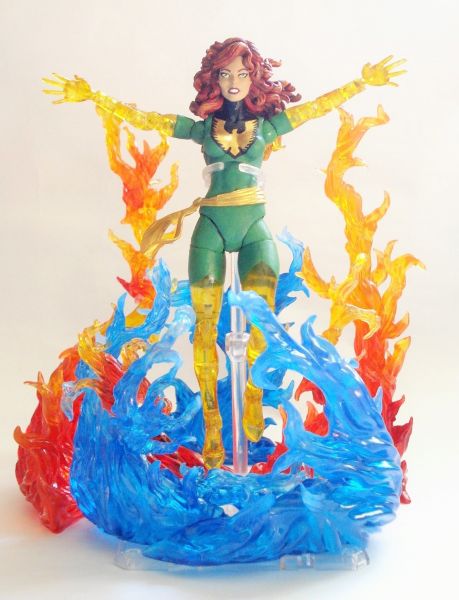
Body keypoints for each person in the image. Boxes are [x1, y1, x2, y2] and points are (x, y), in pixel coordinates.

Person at [44, 38, 405, 469]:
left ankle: (252, 394)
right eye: (225, 73)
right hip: (211, 230)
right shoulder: (203, 130)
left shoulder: (267, 128)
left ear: (255, 80)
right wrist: (95, 97)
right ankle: (213, 427)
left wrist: (361, 83)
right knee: (204, 331)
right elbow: (148, 119)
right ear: (213, 79)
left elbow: (315, 109)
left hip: (254, 230)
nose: (234, 81)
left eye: (243, 73)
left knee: (261, 324)